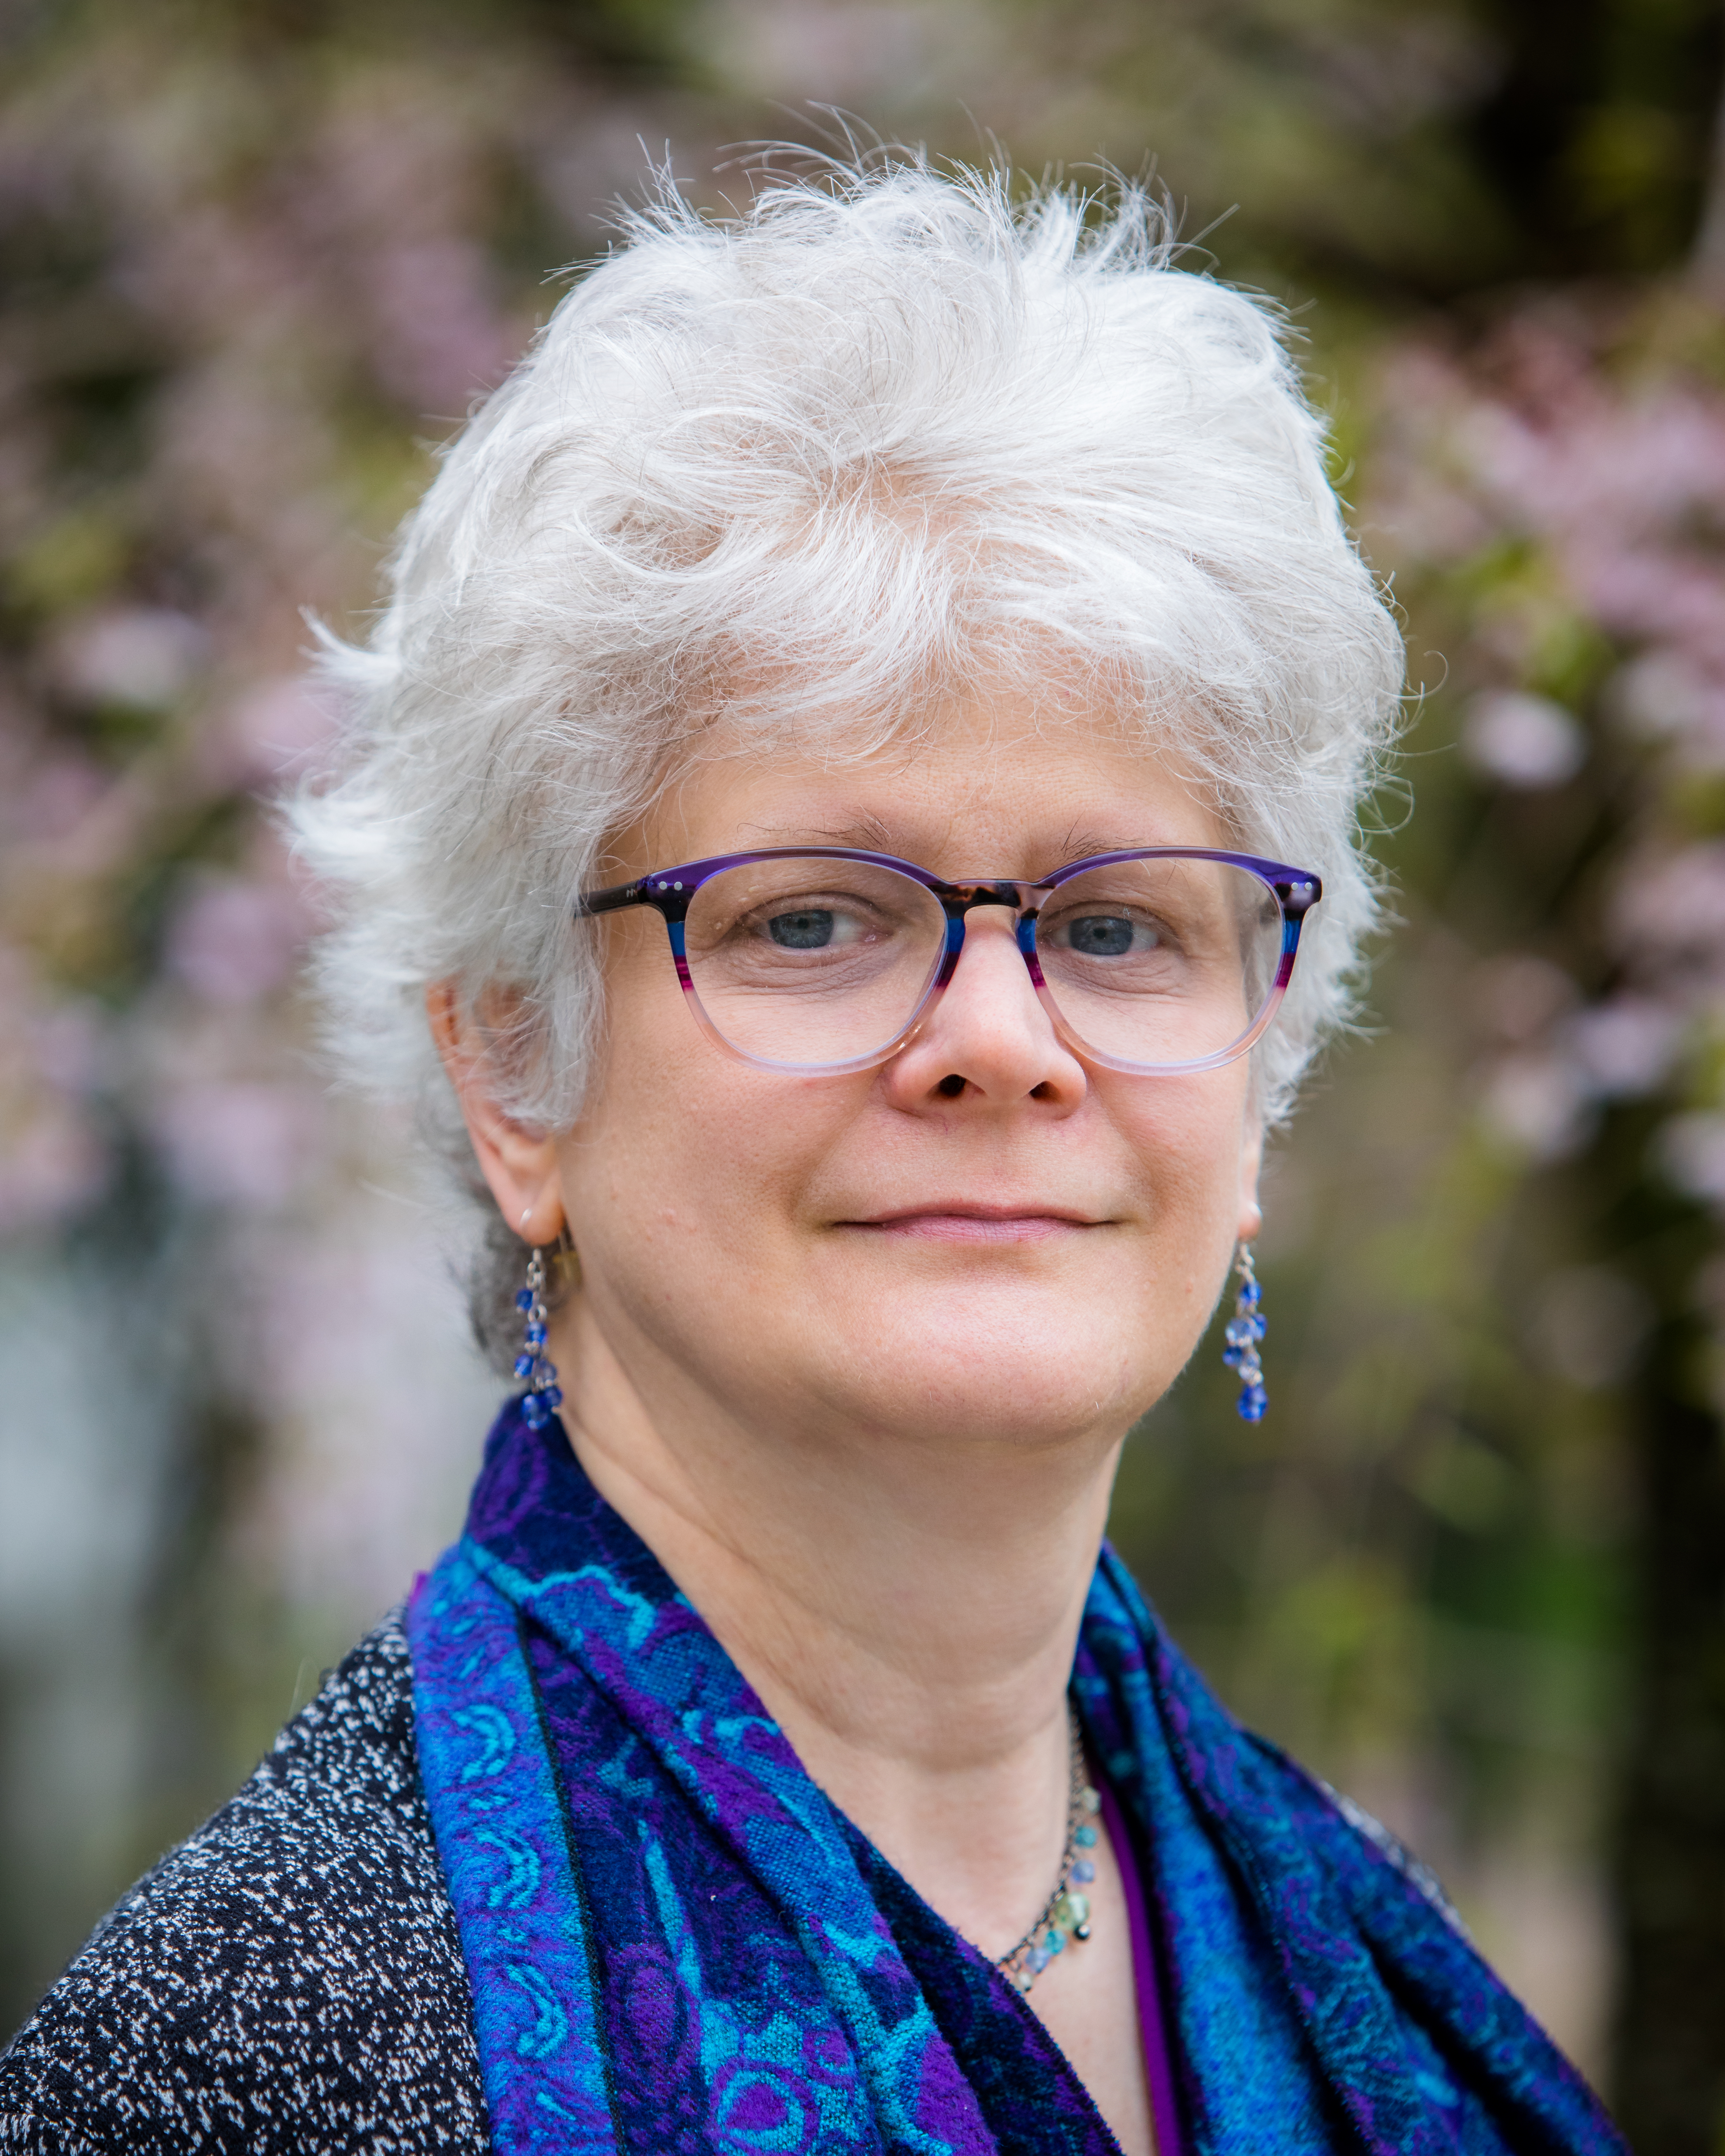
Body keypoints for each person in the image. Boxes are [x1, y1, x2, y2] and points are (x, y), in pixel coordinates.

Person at [0, 160, 1625, 2156]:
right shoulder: (267, 2040)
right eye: (811, 919)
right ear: (517, 1068)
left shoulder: (1369, 1953)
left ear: (1265, 1071)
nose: (1004, 1046)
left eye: (1121, 926)